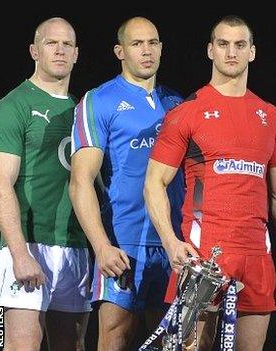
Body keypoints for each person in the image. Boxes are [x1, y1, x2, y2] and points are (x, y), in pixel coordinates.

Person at [143, 15, 276, 351]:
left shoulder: (270, 116)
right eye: (224, 44)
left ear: (252, 52)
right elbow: (154, 182)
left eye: (240, 45)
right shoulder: (187, 112)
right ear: (210, 50)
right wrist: (171, 243)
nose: (232, 52)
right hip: (203, 257)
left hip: (257, 258)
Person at [69, 17, 184, 350]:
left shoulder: (176, 103)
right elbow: (80, 182)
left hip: (172, 244)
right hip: (123, 243)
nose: (146, 51)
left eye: (152, 43)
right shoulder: (100, 100)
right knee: (115, 337)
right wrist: (102, 246)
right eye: (137, 44)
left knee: (170, 342)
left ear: (161, 48)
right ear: (120, 51)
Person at [0, 17, 91, 350]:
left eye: (67, 44)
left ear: (77, 54)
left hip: (75, 246)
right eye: (52, 43)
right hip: (29, 244)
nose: (60, 50)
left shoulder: (82, 111)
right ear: (35, 50)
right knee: (21, 345)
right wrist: (19, 253)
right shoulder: (13, 106)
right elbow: (0, 185)